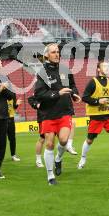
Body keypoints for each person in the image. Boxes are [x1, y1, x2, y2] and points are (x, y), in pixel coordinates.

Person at [34, 43, 81, 185]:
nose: (57, 54)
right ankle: (50, 176)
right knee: (49, 143)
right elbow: (39, 93)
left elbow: (72, 86)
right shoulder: (42, 72)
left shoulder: (66, 69)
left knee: (63, 141)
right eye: (53, 52)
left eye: (58, 52)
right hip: (48, 113)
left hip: (65, 111)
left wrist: (75, 94)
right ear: (47, 55)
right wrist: (57, 93)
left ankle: (58, 159)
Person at [78, 60, 109, 169]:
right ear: (98, 69)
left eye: (108, 66)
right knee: (90, 140)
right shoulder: (93, 82)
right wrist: (98, 101)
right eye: (104, 66)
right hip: (96, 117)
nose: (107, 68)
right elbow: (84, 97)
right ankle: (83, 157)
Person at [28, 95, 45, 168]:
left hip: (55, 116)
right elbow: (31, 98)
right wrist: (36, 104)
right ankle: (38, 160)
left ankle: (58, 159)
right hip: (44, 117)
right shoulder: (41, 88)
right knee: (42, 138)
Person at [7, 97, 23, 162]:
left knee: (12, 138)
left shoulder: (11, 96)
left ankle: (13, 155)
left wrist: (17, 104)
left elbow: (13, 107)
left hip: (10, 119)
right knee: (1, 139)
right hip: (1, 118)